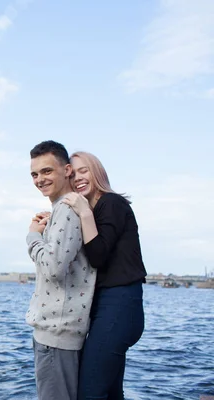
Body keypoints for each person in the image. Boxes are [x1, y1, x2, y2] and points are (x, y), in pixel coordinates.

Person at [61, 151, 147, 400]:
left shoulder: (112, 203)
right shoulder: (94, 211)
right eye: (73, 173)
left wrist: (84, 212)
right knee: (110, 393)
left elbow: (98, 256)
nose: (78, 177)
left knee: (90, 393)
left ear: (97, 171)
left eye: (84, 170)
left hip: (120, 306)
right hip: (105, 308)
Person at [26, 140, 96, 400]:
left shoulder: (67, 210)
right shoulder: (66, 209)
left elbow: (53, 268)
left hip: (56, 334)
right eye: (34, 174)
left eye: (47, 171)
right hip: (61, 332)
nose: (39, 179)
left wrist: (33, 237)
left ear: (67, 170)